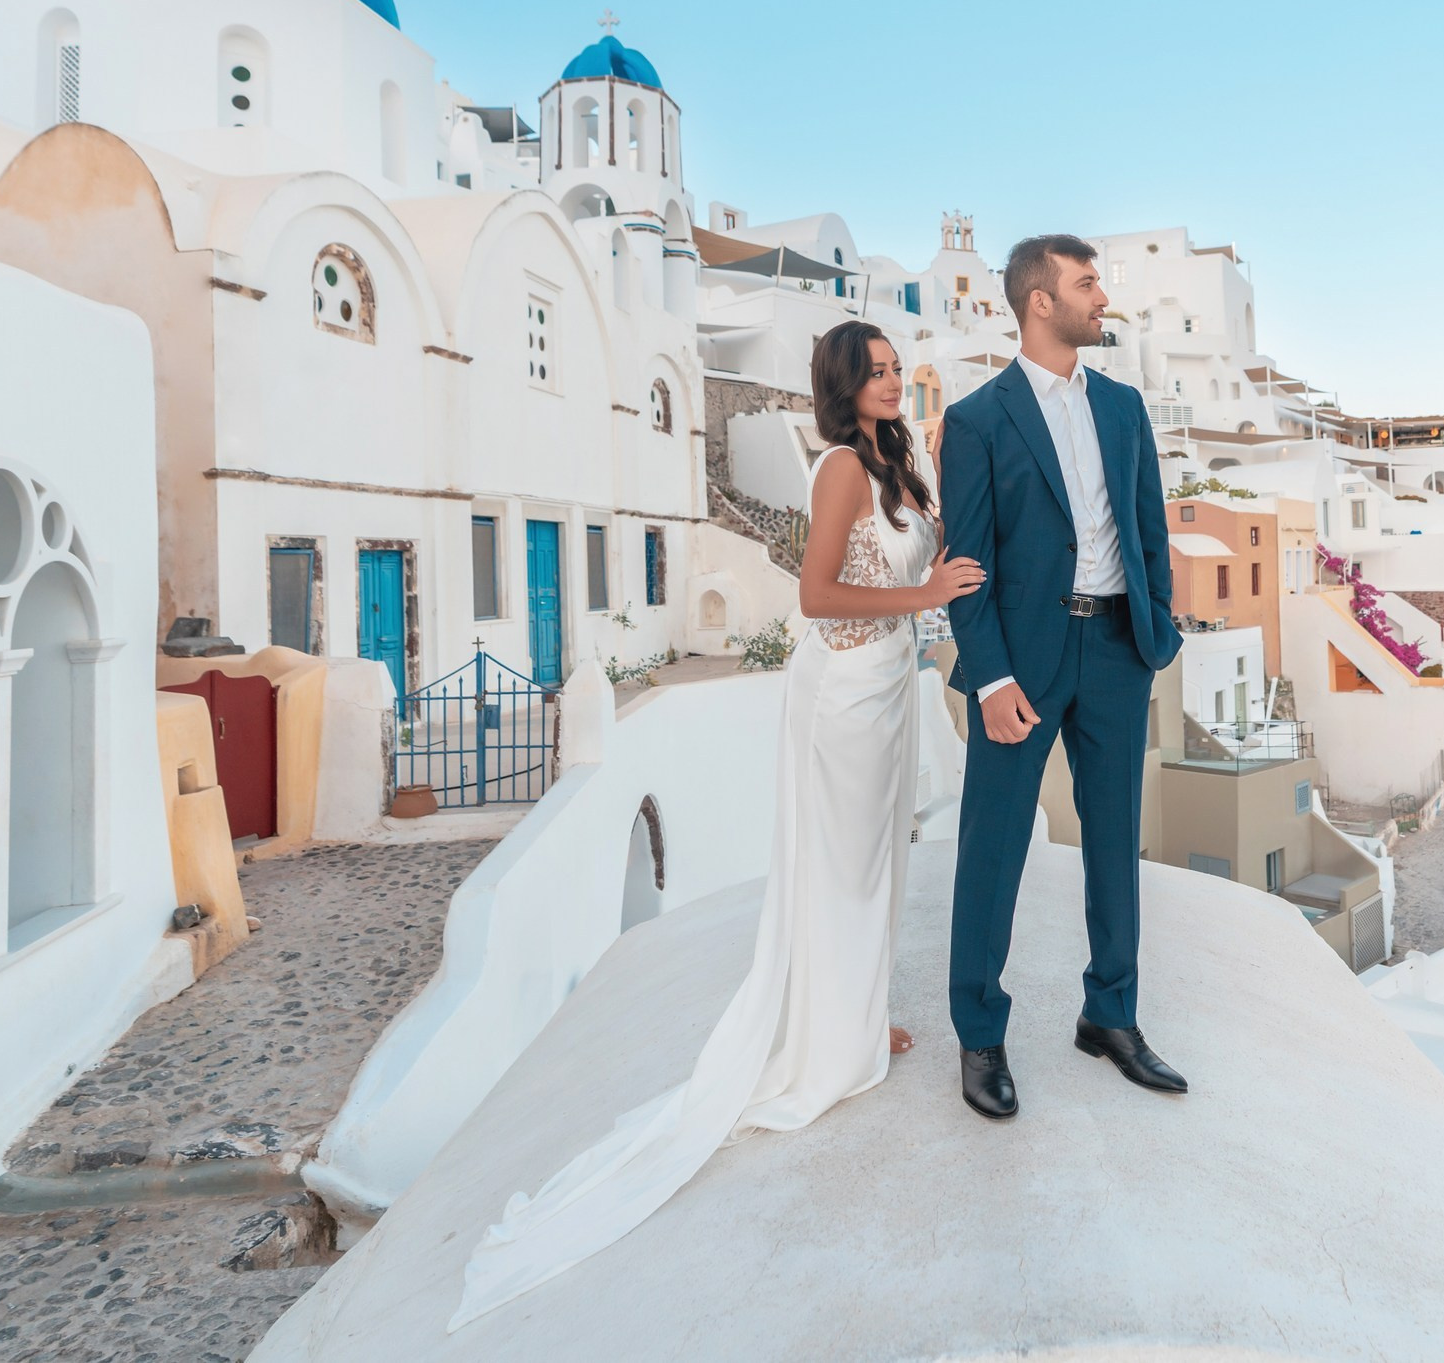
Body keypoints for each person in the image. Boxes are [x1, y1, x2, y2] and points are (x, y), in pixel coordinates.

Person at [449, 321, 982, 1329]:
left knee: (877, 863)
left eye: (891, 372)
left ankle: (855, 1015)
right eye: (871, 373)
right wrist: (925, 592)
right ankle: (824, 1041)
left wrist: (940, 500)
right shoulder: (835, 470)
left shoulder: (895, 465)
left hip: (891, 688)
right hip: (844, 694)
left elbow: (925, 555)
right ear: (839, 384)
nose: (886, 383)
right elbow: (819, 596)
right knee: (836, 864)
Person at [940, 233, 1187, 1122]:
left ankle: (1109, 1016)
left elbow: (1148, 525)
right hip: (1024, 662)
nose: (1102, 299)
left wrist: (1157, 629)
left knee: (1116, 839)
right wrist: (992, 675)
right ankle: (979, 1033)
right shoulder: (976, 421)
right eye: (1088, 285)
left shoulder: (1123, 407)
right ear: (1040, 301)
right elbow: (965, 565)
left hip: (1118, 650)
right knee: (994, 846)